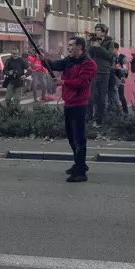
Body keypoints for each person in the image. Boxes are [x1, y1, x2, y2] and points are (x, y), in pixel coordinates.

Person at [42, 37, 97, 182]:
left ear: (80, 47)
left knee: (79, 138)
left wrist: (63, 82)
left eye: (71, 45)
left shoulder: (89, 64)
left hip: (79, 104)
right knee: (71, 137)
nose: (68, 48)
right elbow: (54, 65)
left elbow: (83, 82)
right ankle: (80, 164)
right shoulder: (69, 60)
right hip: (69, 103)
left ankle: (80, 173)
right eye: (68, 45)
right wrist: (45, 61)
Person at [88, 23, 116, 125]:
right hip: (93, 72)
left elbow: (110, 56)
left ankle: (99, 120)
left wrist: (99, 47)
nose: (97, 32)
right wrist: (91, 46)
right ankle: (89, 118)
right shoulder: (92, 41)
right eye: (96, 30)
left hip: (104, 72)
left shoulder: (109, 43)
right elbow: (87, 53)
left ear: (104, 32)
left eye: (99, 30)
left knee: (101, 98)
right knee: (90, 97)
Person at [112, 43, 128, 115]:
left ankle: (126, 112)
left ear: (116, 49)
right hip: (111, 78)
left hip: (119, 79)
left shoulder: (122, 57)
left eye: (113, 48)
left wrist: (119, 68)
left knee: (121, 96)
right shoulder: (111, 57)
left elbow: (126, 69)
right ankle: (116, 114)